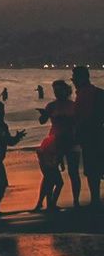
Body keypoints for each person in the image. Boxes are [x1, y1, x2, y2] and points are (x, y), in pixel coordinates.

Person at [35, 81, 77, 213]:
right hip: (54, 142)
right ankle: (44, 203)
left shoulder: (73, 105)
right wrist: (44, 114)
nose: (57, 93)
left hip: (71, 140)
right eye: (55, 91)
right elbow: (42, 121)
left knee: (73, 172)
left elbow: (78, 121)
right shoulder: (51, 105)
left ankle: (75, 201)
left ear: (67, 90)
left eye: (60, 90)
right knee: (50, 174)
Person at [74, 65, 101, 209]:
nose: (73, 81)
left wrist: (77, 133)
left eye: (74, 78)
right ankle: (95, 198)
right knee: (96, 168)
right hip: (98, 133)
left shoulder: (84, 94)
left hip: (90, 135)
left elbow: (82, 117)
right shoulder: (97, 92)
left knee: (92, 169)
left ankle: (95, 199)